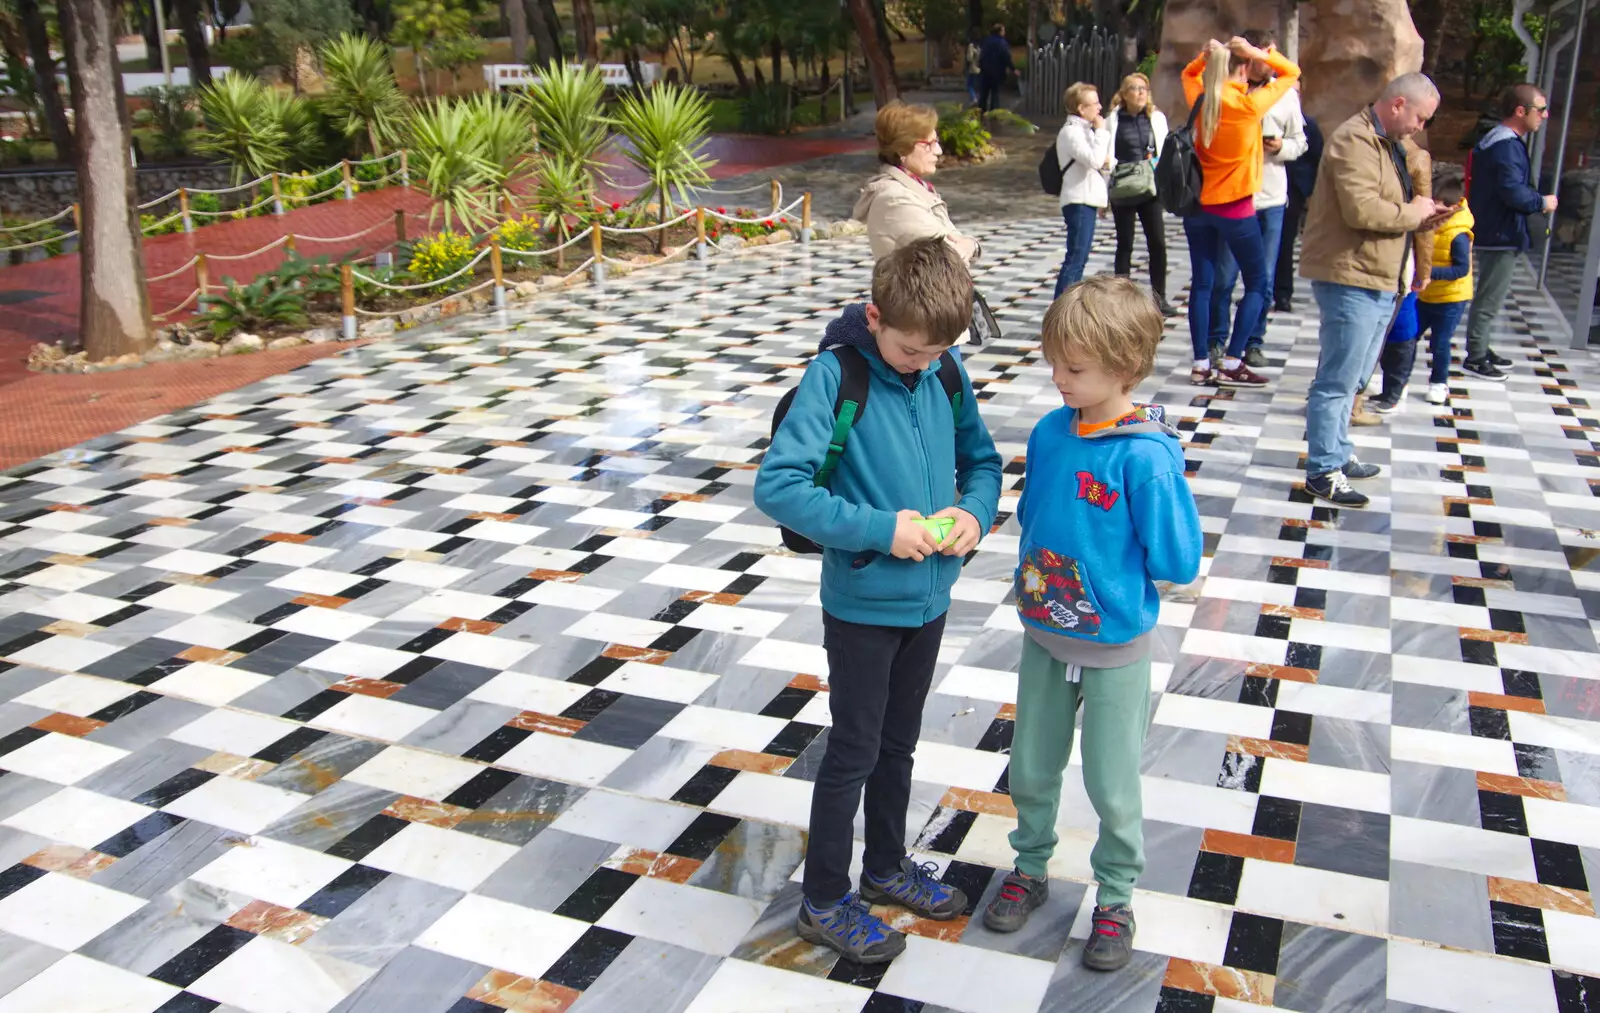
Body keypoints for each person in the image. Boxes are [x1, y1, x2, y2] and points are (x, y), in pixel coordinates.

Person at [754, 237, 1003, 964]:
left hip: (928, 601)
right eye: (909, 351)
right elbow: (779, 487)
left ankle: (887, 869)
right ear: (875, 316)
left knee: (900, 743)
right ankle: (825, 899)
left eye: (935, 354)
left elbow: (982, 461)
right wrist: (879, 530)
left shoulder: (944, 371)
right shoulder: (836, 376)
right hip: (863, 602)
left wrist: (973, 515)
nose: (922, 365)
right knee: (854, 749)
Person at [982, 274, 1201, 972]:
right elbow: (1034, 513)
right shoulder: (1051, 431)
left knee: (1112, 781)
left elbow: (1178, 558)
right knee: (1031, 766)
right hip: (1046, 636)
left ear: (1126, 367)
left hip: (1115, 650)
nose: (1058, 379)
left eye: (1073, 368)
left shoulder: (1145, 455)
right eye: (1054, 362)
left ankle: (1114, 898)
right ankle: (1031, 865)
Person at [1299, 73, 1450, 507]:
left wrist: (1424, 218)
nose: (1421, 126)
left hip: (1380, 274)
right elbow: (1362, 208)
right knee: (1338, 378)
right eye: (1420, 117)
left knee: (1357, 377)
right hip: (1351, 275)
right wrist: (1413, 211)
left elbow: (1393, 207)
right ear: (1398, 103)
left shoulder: (1389, 144)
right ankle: (1322, 470)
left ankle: (1338, 452)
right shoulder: (1355, 140)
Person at [1180, 36, 1301, 389]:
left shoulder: (1201, 99)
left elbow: (1189, 75)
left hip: (1198, 206)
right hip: (1234, 207)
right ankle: (1233, 360)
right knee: (1258, 285)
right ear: (1245, 69)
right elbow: (1291, 72)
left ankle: (1201, 362)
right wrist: (1258, 51)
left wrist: (1205, 55)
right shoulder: (1248, 106)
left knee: (1202, 284)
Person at [1463, 83, 1557, 381]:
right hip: (1500, 233)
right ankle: (1476, 356)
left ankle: (1481, 346)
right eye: (1540, 110)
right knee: (1490, 297)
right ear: (1521, 111)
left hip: (1498, 230)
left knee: (1491, 295)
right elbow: (1512, 191)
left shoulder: (1502, 141)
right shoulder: (1505, 145)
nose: (1544, 115)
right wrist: (1542, 202)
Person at [1373, 173, 1473, 409]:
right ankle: (1400, 384)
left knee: (1440, 342)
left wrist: (1427, 272)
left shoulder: (1458, 233)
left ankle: (1439, 382)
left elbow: (1461, 269)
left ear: (1452, 207)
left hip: (1451, 299)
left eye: (1438, 210)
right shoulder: (1424, 225)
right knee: (1410, 338)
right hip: (1424, 296)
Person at [1105, 73, 1175, 316]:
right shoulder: (1113, 120)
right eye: (1134, 89)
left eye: (1144, 88)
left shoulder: (1156, 118)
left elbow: (1164, 151)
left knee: (1157, 242)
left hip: (1150, 185)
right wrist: (1105, 194)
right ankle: (1120, 298)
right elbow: (1107, 154)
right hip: (1124, 184)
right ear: (1124, 94)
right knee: (1125, 243)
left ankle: (1159, 297)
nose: (1140, 93)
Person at [1053, 81, 1112, 297]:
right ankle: (1062, 308)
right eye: (1094, 103)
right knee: (1076, 256)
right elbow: (1095, 159)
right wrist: (1102, 133)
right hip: (1078, 200)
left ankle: (1066, 306)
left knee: (1081, 256)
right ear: (1080, 108)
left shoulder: (1085, 130)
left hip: (1088, 199)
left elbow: (1106, 161)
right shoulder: (1071, 132)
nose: (1099, 108)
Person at [1275, 114, 1323, 312]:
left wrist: (1307, 188)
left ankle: (1283, 293)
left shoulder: (1308, 125)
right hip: (1263, 189)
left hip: (1293, 190)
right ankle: (1258, 293)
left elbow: (1317, 158)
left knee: (1285, 242)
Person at [978, 23, 1013, 113]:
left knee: (984, 94)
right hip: (997, 71)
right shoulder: (1003, 43)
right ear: (1000, 32)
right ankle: (993, 112)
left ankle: (981, 111)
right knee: (995, 93)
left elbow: (981, 55)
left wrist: (981, 66)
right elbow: (1006, 56)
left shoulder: (986, 41)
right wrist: (1012, 68)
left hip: (985, 71)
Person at [965, 28, 983, 107]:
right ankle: (978, 99)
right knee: (978, 85)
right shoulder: (980, 46)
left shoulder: (971, 46)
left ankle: (974, 98)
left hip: (972, 68)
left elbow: (969, 58)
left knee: (970, 85)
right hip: (979, 68)